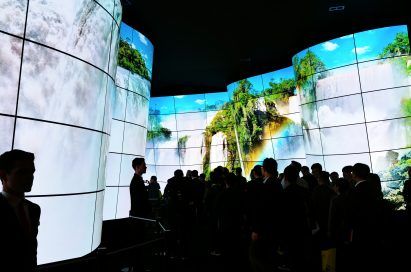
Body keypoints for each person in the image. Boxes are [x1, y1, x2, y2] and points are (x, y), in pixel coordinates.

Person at [0, 149, 40, 272]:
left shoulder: (34, 209)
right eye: (22, 172)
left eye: (32, 172)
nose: (30, 177)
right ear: (3, 175)